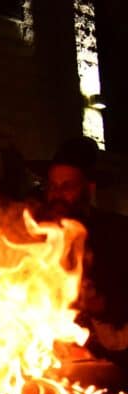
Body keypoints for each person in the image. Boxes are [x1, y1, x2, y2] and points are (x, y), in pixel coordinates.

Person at [42, 137, 128, 365]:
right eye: (52, 186)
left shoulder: (118, 233)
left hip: (112, 363)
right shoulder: (37, 236)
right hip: (50, 359)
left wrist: (101, 305)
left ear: (88, 188)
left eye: (67, 186)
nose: (57, 194)